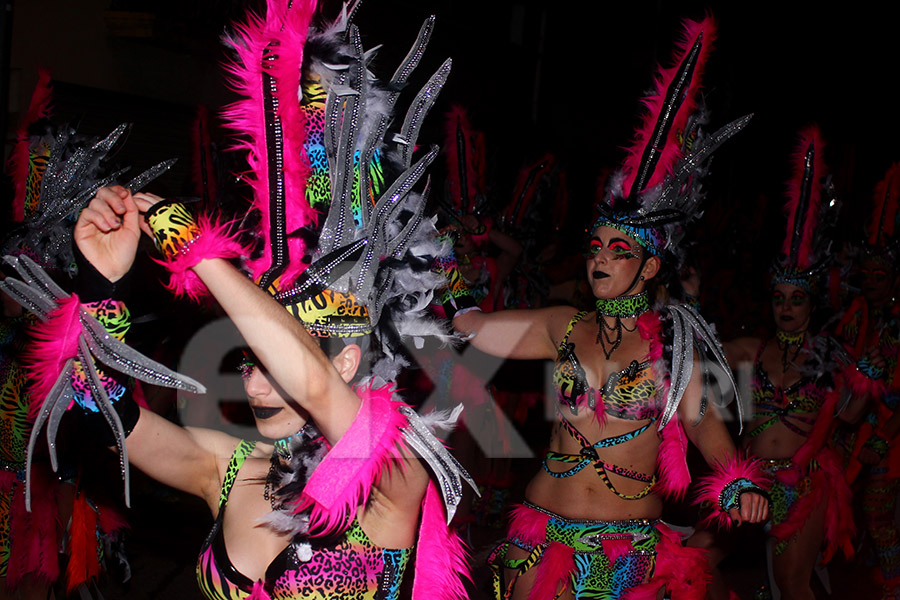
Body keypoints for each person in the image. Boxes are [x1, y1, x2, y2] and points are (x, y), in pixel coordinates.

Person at [7, 1, 474, 599]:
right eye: (249, 363)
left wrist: (198, 252)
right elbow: (102, 417)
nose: (253, 386)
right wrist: (103, 285)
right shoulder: (227, 470)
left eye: (268, 362)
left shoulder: (392, 477)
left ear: (347, 362)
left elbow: (308, 383)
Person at [440, 15, 770, 599]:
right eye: (594, 247)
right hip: (540, 537)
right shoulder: (562, 326)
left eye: (618, 252)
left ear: (648, 267)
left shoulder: (674, 348)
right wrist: (440, 272)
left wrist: (736, 485)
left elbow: (704, 426)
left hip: (623, 551)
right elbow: (471, 328)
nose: (599, 260)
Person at [701, 126, 863, 600]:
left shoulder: (830, 356)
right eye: (778, 298)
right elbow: (694, 366)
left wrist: (861, 380)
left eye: (796, 299)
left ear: (811, 303)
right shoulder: (750, 349)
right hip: (750, 478)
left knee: (792, 585)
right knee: (696, 561)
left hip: (805, 484)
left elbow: (851, 416)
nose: (786, 307)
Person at [835, 161, 900, 600]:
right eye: (868, 276)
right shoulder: (858, 315)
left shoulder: (896, 325)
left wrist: (884, 434)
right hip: (857, 424)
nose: (872, 283)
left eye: (883, 276)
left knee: (878, 514)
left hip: (890, 432)